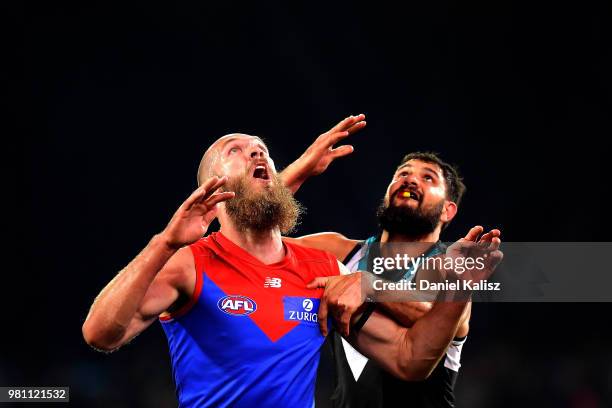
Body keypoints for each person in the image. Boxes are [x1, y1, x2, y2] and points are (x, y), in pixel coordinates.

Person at [82, 118, 500, 408]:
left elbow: (411, 360)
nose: (256, 153)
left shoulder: (321, 268)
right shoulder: (190, 263)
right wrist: (165, 242)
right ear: (214, 186)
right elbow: (100, 333)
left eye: (262, 150)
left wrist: (460, 284)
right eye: (237, 150)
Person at [281, 118, 501, 408]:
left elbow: (429, 316)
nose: (410, 180)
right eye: (402, 174)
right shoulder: (341, 251)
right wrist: (300, 170)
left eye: (428, 178)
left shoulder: (450, 272)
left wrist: (369, 285)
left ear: (448, 210)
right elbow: (256, 238)